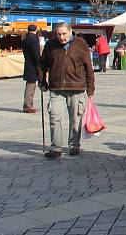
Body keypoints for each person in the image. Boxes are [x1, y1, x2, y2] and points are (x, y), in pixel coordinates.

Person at [39, 22, 96, 158]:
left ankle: (74, 145)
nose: (61, 37)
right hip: (56, 87)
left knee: (75, 119)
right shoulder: (50, 45)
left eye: (64, 34)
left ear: (70, 32)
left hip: (77, 87)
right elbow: (43, 65)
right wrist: (42, 81)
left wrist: (91, 89)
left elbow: (89, 67)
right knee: (55, 117)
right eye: (59, 34)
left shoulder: (81, 44)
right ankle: (56, 148)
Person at [21, 25, 41, 113]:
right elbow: (36, 54)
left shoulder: (25, 39)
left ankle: (29, 105)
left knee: (29, 85)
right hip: (33, 66)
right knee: (31, 86)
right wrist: (39, 64)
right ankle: (28, 106)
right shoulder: (34, 39)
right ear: (35, 30)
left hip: (28, 64)